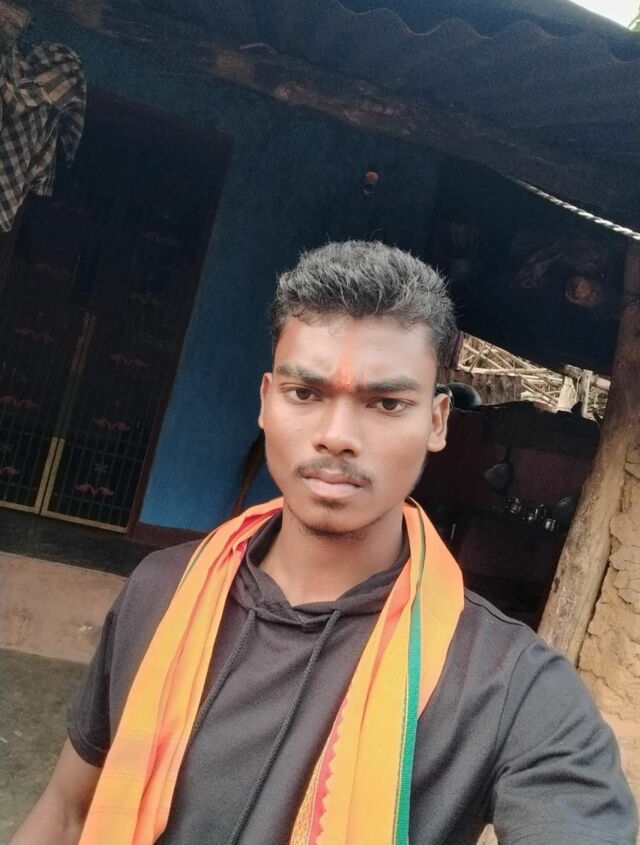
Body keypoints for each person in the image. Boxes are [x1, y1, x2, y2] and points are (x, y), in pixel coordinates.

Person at [13, 241, 637, 844]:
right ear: (266, 402)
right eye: (305, 393)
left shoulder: (510, 686)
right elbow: (67, 814)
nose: (337, 435)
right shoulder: (161, 590)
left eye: (386, 403)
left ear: (437, 421)